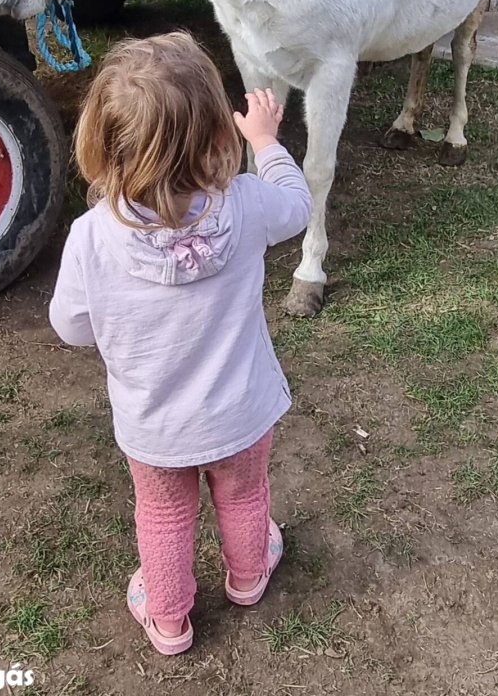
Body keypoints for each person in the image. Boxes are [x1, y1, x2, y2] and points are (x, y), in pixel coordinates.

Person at [49, 32, 312, 655]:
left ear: (102, 141)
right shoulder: (246, 205)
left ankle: (168, 618)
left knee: (163, 514)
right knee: (245, 493)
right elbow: (299, 207)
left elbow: (70, 326)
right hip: (242, 414)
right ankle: (248, 577)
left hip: (154, 427)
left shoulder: (90, 237)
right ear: (217, 133)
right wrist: (268, 143)